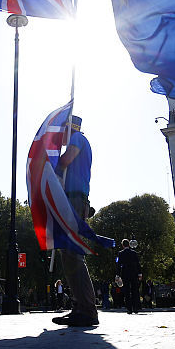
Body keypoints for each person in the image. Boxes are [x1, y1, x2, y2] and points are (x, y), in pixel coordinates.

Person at [50, 115, 99, 327]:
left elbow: (65, 161)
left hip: (75, 199)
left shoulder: (78, 138)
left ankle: (87, 310)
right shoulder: (77, 139)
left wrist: (47, 167)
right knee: (68, 255)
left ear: (69, 128)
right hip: (71, 199)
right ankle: (80, 307)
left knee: (72, 254)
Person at [116, 239, 142, 314]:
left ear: (122, 245)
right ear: (129, 244)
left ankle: (129, 309)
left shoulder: (120, 253)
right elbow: (138, 263)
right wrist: (140, 273)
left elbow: (119, 265)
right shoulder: (134, 253)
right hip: (134, 273)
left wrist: (118, 275)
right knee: (135, 291)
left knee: (127, 291)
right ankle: (135, 308)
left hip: (125, 274)